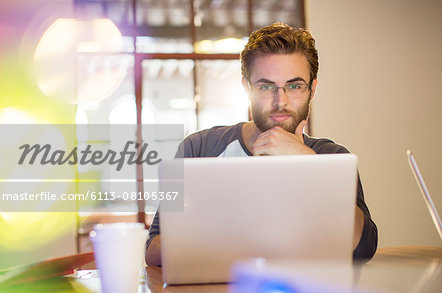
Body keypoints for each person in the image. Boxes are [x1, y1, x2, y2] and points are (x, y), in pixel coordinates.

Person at [145, 23, 378, 266]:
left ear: (312, 89)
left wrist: (307, 163)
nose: (281, 100)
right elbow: (153, 247)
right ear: (247, 87)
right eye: (266, 86)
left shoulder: (333, 158)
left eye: (294, 86)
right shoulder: (196, 148)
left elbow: (362, 248)